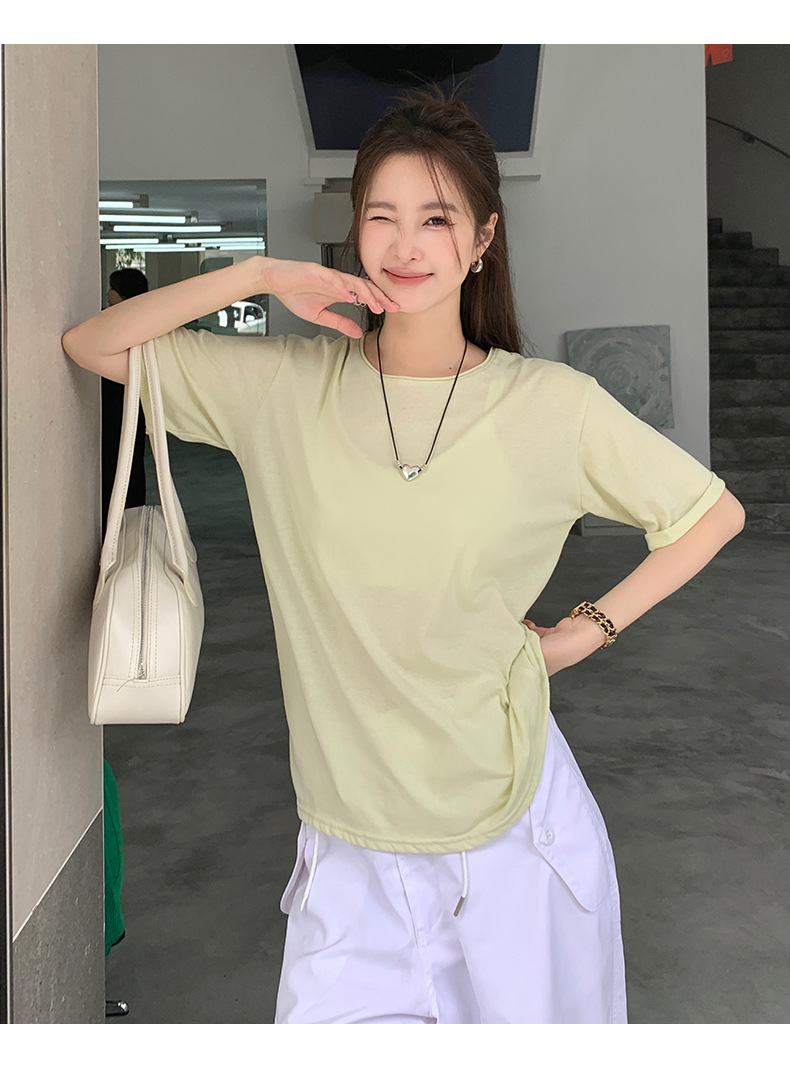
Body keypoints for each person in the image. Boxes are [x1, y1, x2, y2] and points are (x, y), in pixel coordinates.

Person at [62, 87, 746, 1024]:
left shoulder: (551, 405)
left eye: (436, 217)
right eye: (381, 216)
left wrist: (584, 631)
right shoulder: (282, 390)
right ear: (354, 231)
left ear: (483, 237)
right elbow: (93, 344)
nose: (405, 243)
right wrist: (257, 273)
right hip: (347, 844)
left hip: (513, 837)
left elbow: (710, 515)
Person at [102, 267, 149, 533]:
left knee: (119, 457)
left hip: (119, 398)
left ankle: (123, 520)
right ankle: (128, 519)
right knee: (129, 456)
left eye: (113, 288)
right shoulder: (140, 321)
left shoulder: (118, 324)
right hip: (129, 398)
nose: (108, 293)